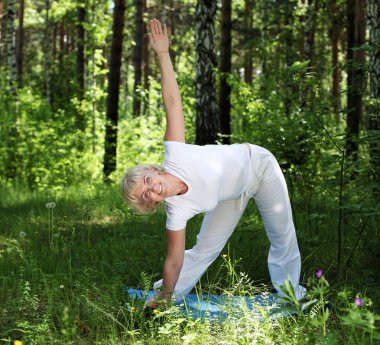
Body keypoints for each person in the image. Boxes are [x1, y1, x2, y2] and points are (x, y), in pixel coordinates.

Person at [121, 18, 305, 308]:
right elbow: (174, 258)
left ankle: (291, 297)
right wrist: (167, 296)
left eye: (145, 181)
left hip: (259, 165)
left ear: (151, 170)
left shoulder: (175, 155)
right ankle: (165, 295)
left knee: (282, 234)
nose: (150, 188)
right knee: (204, 249)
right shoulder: (176, 211)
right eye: (145, 196)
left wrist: (162, 54)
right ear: (151, 203)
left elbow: (172, 102)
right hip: (231, 194)